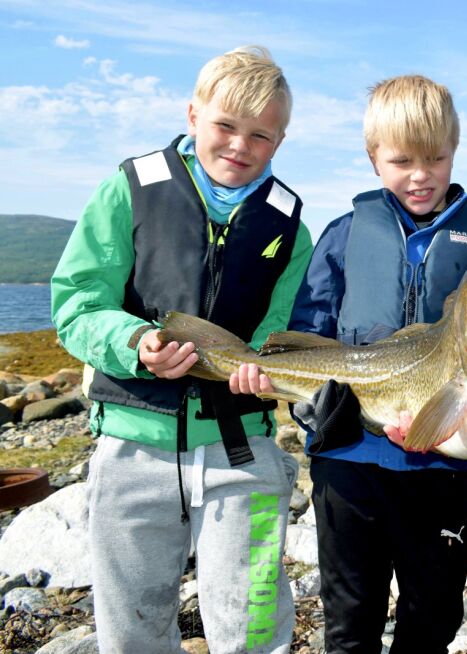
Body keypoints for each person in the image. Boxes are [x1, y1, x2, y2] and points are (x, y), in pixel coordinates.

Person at [234, 74, 467, 653]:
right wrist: (303, 401)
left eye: (436, 158)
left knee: (434, 616)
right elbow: (307, 336)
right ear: (373, 160)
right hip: (348, 465)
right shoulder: (342, 238)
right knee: (350, 618)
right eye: (401, 160)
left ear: (455, 151)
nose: (420, 175)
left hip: (441, 470)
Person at [50, 46, 313, 653]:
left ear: (281, 140)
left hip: (243, 452)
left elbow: (282, 337)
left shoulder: (291, 228)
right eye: (225, 126)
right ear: (193, 114)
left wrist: (268, 378)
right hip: (130, 451)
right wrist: (134, 342)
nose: (240, 147)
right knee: (131, 631)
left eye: (261, 136)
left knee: (254, 629)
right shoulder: (129, 190)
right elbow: (76, 303)